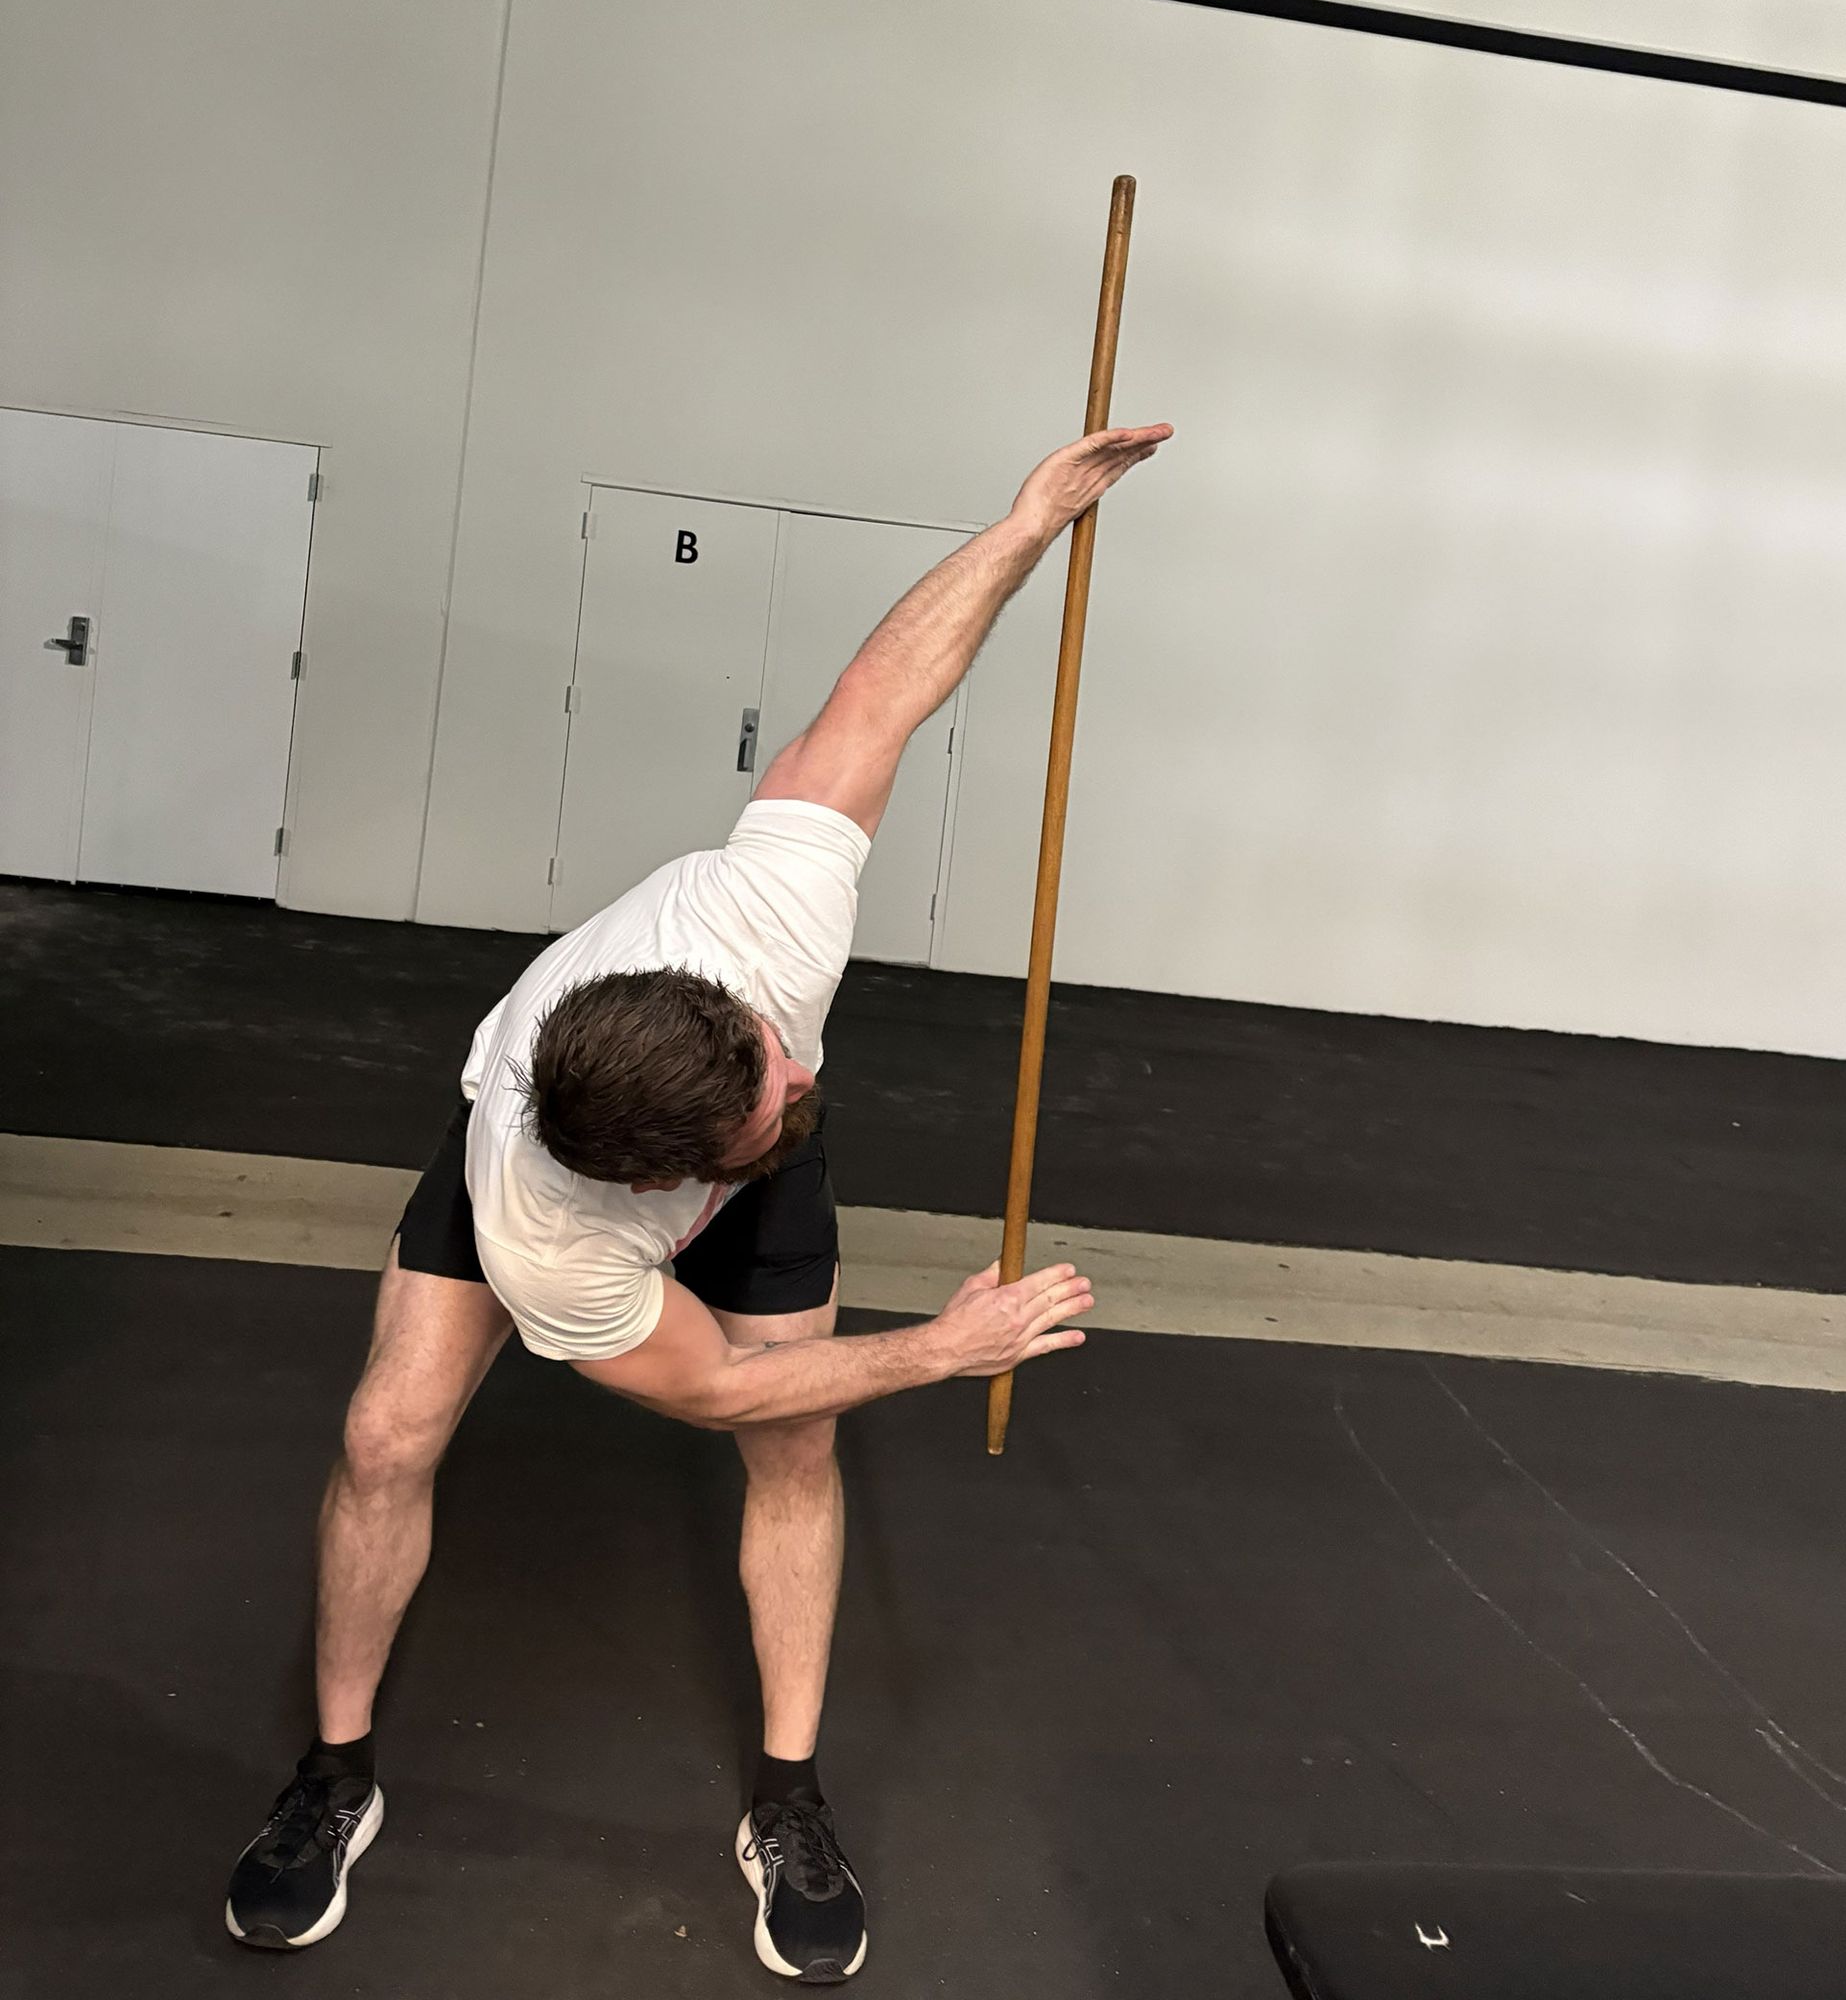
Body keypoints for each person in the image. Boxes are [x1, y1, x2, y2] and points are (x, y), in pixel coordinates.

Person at [224, 419, 1172, 1980]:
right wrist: (940, 1351)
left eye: (771, 1065)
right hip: (529, 1183)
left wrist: (1025, 525)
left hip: (670, 1133)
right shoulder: (557, 1231)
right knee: (389, 1433)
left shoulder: (756, 934)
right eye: (769, 1102)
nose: (803, 1080)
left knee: (803, 1443)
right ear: (670, 1181)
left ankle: (787, 1797)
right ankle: (333, 1778)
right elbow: (711, 1381)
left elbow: (878, 697)